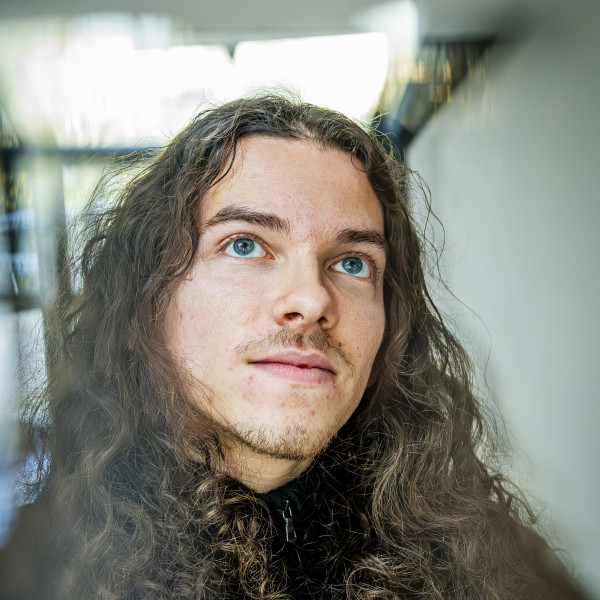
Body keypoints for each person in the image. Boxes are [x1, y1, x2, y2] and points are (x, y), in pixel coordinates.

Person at [0, 94, 587, 600]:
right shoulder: (40, 565)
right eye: (245, 245)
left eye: (352, 262)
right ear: (142, 304)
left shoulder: (488, 556)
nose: (311, 300)